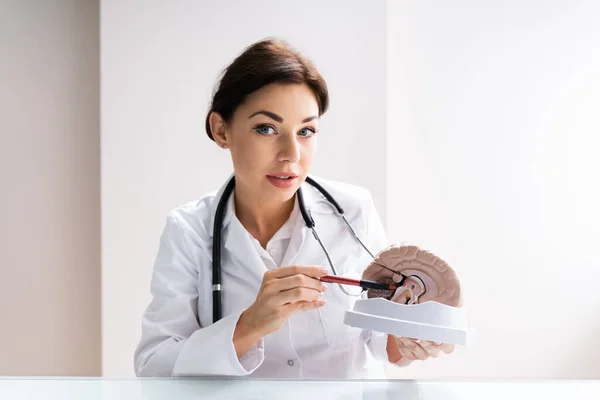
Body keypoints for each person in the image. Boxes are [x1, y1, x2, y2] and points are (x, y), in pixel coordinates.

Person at [134, 38, 452, 378]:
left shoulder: (353, 210)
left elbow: (378, 339)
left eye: (306, 131)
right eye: (266, 128)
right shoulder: (189, 230)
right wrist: (249, 325)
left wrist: (409, 338)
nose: (291, 154)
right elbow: (154, 364)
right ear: (221, 129)